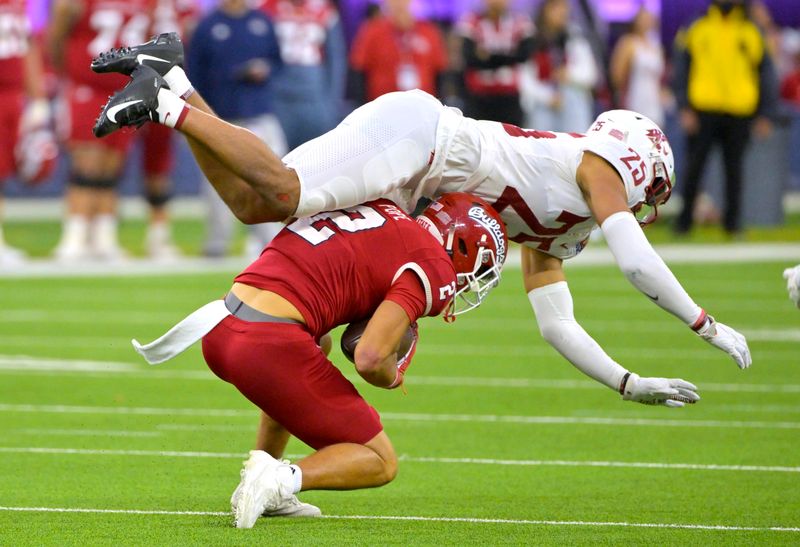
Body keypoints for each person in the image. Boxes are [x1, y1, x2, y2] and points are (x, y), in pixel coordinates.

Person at [93, 34, 748, 414]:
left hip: (415, 170)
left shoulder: (563, 229)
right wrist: (705, 323)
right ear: (639, 168)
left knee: (253, 201)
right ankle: (167, 103)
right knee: (280, 190)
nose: (640, 203)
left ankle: (169, 76)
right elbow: (634, 259)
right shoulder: (595, 169)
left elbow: (557, 323)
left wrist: (628, 383)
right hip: (418, 137)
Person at [130, 191, 509, 527]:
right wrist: (393, 375)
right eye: (482, 266)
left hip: (220, 323)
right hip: (266, 345)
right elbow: (370, 357)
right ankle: (279, 479)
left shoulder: (380, 206)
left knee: (318, 345)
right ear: (462, 245)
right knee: (379, 460)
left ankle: (265, 477)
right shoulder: (433, 264)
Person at [48, 0, 154, 260]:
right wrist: (74, 73)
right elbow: (55, 39)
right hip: (87, 88)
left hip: (125, 89)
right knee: (87, 163)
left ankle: (104, 238)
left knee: (112, 166)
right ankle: (74, 236)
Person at [186, 0, 287, 258]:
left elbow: (278, 61)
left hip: (260, 113)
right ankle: (217, 243)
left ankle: (274, 243)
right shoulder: (208, 26)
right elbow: (193, 76)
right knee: (218, 180)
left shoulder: (262, 21)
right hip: (223, 115)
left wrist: (264, 70)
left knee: (273, 177)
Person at [672, 0, 779, 236]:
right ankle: (684, 222)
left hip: (739, 110)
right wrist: (684, 106)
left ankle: (732, 224)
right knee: (695, 168)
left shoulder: (751, 29)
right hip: (704, 108)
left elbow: (765, 72)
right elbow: (681, 67)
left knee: (735, 169)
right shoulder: (697, 26)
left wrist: (766, 113)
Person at [139, 0, 200, 259]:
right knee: (107, 160)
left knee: (159, 163)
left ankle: (158, 233)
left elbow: (192, 39)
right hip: (126, 82)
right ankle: (93, 232)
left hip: (165, 88)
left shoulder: (183, 6)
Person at [0, 0, 54, 266]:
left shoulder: (18, 4)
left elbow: (28, 46)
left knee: (2, 170)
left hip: (11, 95)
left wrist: (38, 97)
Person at [260, 0, 347, 151]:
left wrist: (332, 102)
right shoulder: (268, 9)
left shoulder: (324, 11)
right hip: (279, 99)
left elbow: (336, 60)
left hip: (314, 98)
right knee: (279, 160)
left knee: (316, 158)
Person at [519, 0, 598, 133]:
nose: (562, 12)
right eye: (557, 7)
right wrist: (547, 97)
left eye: (565, 7)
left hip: (571, 105)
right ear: (545, 10)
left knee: (573, 97)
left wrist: (568, 74)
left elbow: (591, 75)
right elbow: (524, 80)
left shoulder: (575, 37)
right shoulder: (531, 39)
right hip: (543, 105)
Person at [349, 0, 448, 104]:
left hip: (423, 107)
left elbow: (440, 74)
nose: (398, 3)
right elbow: (359, 71)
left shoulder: (428, 32)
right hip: (382, 108)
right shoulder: (372, 31)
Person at [456, 0, 534, 126]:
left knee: (511, 141)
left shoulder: (520, 21)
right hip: (479, 98)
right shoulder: (471, 21)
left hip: (510, 99)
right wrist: (508, 56)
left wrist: (487, 56)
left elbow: (524, 55)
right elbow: (469, 57)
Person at [609, 7, 666, 127]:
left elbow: (660, 77)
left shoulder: (656, 45)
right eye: (643, 19)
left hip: (653, 101)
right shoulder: (628, 42)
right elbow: (616, 75)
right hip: (634, 97)